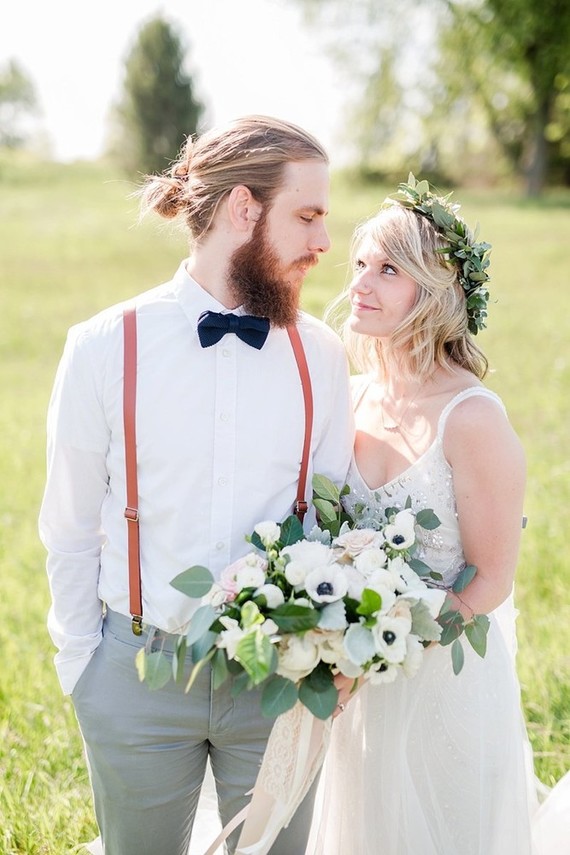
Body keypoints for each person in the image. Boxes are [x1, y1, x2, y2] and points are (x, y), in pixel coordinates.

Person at [38, 114, 354, 855]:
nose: (323, 243)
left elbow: (341, 523)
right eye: (306, 216)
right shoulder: (103, 346)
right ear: (244, 209)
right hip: (136, 677)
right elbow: (70, 523)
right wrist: (84, 667)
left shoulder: (321, 356)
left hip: (279, 685)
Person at [306, 176, 569, 854]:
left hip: (443, 680)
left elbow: (489, 580)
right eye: (361, 264)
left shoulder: (471, 417)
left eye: (388, 269)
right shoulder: (349, 395)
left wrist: (383, 649)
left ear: (435, 290)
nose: (361, 282)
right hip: (350, 682)